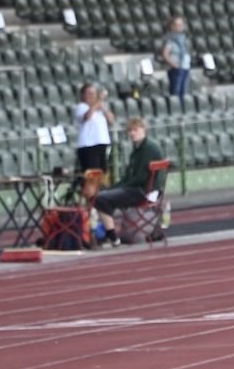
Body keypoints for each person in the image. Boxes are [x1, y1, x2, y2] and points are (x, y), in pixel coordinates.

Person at [94, 116, 166, 247]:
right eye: (130, 130)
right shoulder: (138, 150)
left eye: (135, 130)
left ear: (144, 129)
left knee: (100, 198)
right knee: (101, 196)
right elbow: (129, 178)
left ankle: (112, 237)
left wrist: (117, 189)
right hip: (138, 189)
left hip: (143, 192)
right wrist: (112, 188)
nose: (132, 133)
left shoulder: (149, 148)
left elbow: (140, 178)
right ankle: (111, 236)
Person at [73, 82, 114, 177]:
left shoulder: (99, 109)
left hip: (101, 143)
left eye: (94, 93)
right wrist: (98, 102)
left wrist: (103, 107)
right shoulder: (82, 107)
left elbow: (111, 120)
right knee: (92, 175)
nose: (93, 96)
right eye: (89, 93)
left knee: (103, 174)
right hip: (89, 145)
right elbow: (86, 117)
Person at [160, 16, 192, 105]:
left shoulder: (184, 38)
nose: (180, 27)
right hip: (176, 68)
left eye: (181, 24)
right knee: (176, 91)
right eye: (178, 25)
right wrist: (175, 65)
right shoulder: (170, 39)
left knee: (183, 91)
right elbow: (165, 54)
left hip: (185, 67)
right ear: (173, 26)